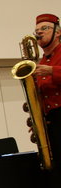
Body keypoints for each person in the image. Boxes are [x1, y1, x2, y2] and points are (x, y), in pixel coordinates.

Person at [32, 14, 61, 162]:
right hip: (51, 122)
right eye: (37, 31)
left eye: (45, 28)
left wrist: (51, 71)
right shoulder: (41, 61)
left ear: (58, 32)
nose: (40, 32)